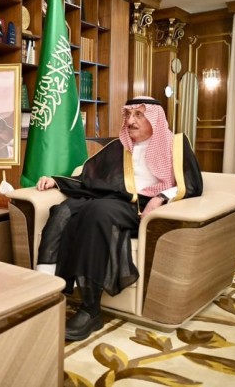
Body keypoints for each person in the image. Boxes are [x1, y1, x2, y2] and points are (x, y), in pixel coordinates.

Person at [35, 96, 203, 341]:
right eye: (128, 114)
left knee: (97, 212)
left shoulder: (175, 144)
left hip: (140, 207)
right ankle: (46, 290)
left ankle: (91, 310)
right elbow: (89, 179)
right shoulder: (119, 147)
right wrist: (56, 181)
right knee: (63, 210)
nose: (131, 121)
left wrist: (161, 197)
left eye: (139, 115)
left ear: (155, 118)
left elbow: (192, 183)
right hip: (109, 199)